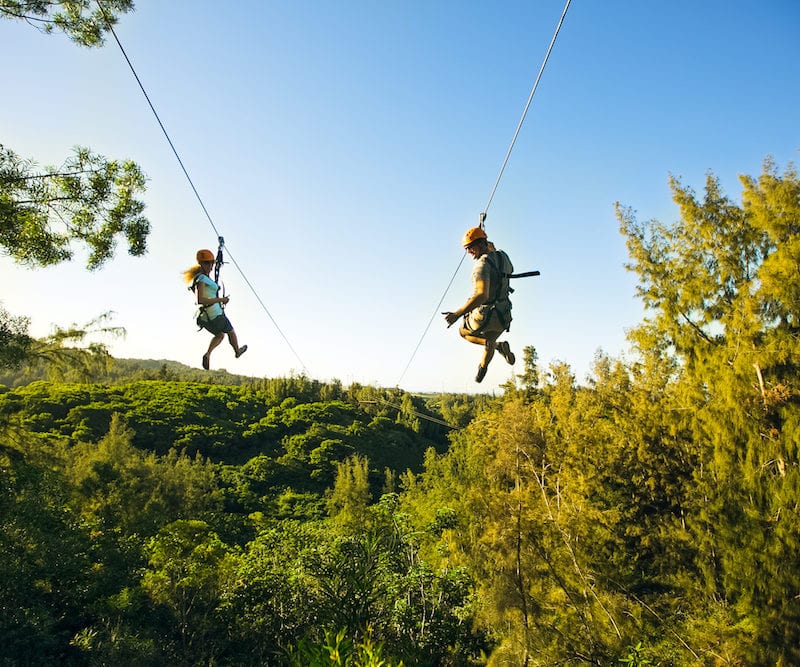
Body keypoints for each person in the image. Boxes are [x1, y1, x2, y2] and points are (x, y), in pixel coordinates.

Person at [443, 227, 515, 383]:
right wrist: (487, 244)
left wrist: (457, 314)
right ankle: (483, 368)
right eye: (466, 249)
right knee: (491, 338)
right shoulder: (504, 257)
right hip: (503, 315)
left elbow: (482, 295)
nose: (468, 252)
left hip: (484, 316)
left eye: (470, 248)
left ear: (480, 244)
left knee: (463, 332)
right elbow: (496, 252)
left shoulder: (480, 266)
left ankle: (495, 345)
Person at [183, 249, 247, 370]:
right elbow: (200, 299)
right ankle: (237, 351)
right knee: (231, 332)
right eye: (207, 263)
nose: (210, 266)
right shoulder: (201, 279)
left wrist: (219, 252)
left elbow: (215, 271)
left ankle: (208, 354)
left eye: (211, 263)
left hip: (205, 317)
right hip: (215, 315)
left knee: (220, 335)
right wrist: (220, 300)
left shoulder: (204, 278)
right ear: (201, 264)